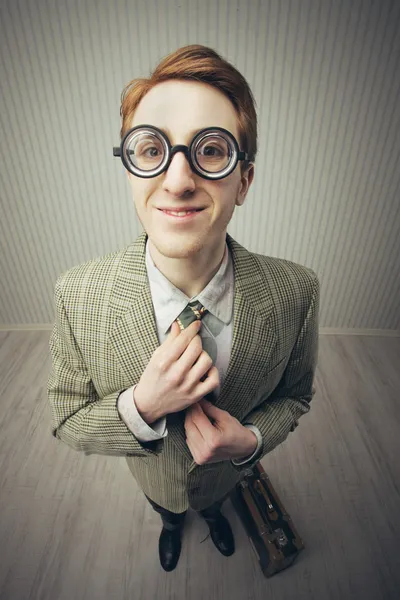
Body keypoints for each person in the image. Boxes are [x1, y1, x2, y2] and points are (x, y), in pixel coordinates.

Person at [47, 44, 320, 573]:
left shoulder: (297, 292)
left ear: (244, 180)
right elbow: (66, 420)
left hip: (229, 476)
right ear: (129, 169)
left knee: (212, 505)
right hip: (151, 480)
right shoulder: (76, 295)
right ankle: (171, 525)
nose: (177, 180)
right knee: (167, 510)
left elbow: (296, 396)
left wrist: (250, 442)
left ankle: (216, 516)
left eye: (212, 149)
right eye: (151, 149)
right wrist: (140, 407)